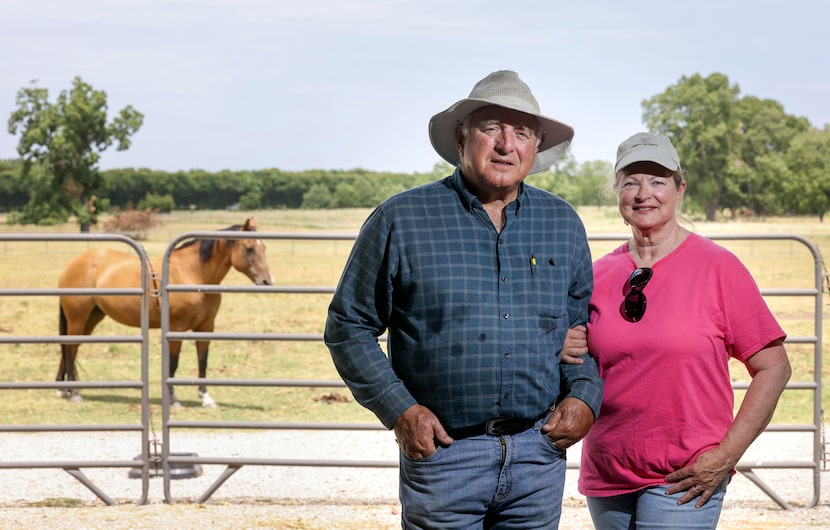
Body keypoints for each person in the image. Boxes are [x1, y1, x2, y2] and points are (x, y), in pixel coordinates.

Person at [324, 70, 604, 529]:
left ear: (536, 146)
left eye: (522, 132)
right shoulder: (402, 219)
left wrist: (586, 397)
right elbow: (348, 326)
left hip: (538, 454)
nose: (505, 144)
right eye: (491, 128)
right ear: (461, 138)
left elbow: (580, 332)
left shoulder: (562, 222)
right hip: (444, 457)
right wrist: (401, 410)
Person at [563, 132, 792, 529]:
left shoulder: (719, 269)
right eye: (631, 181)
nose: (643, 193)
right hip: (608, 474)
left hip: (685, 477)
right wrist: (565, 345)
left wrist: (726, 455)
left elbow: (774, 368)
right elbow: (577, 361)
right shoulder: (596, 275)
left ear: (679, 188)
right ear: (616, 190)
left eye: (657, 181)